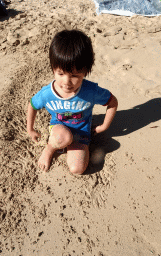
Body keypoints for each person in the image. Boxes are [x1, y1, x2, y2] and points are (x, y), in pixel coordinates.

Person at [27, 29, 118, 174]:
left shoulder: (91, 91)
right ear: (53, 69)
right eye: (61, 73)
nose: (67, 82)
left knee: (77, 169)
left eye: (75, 75)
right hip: (59, 128)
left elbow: (112, 102)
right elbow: (32, 105)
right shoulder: (47, 94)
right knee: (63, 137)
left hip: (82, 132)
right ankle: (50, 148)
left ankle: (72, 146)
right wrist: (30, 129)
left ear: (86, 71)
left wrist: (104, 126)